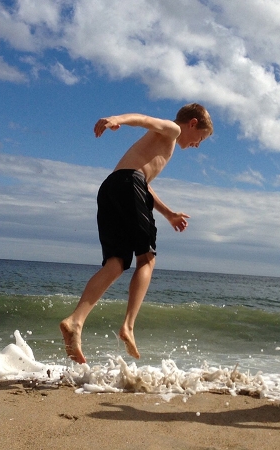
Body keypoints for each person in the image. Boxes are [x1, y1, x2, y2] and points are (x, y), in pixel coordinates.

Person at [60, 103, 213, 363]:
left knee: (116, 263)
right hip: (130, 184)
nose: (198, 145)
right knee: (147, 259)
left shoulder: (159, 149)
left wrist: (169, 214)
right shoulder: (174, 130)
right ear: (193, 124)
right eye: (200, 139)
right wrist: (116, 119)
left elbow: (144, 186)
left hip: (112, 188)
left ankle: (75, 321)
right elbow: (144, 119)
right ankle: (128, 327)